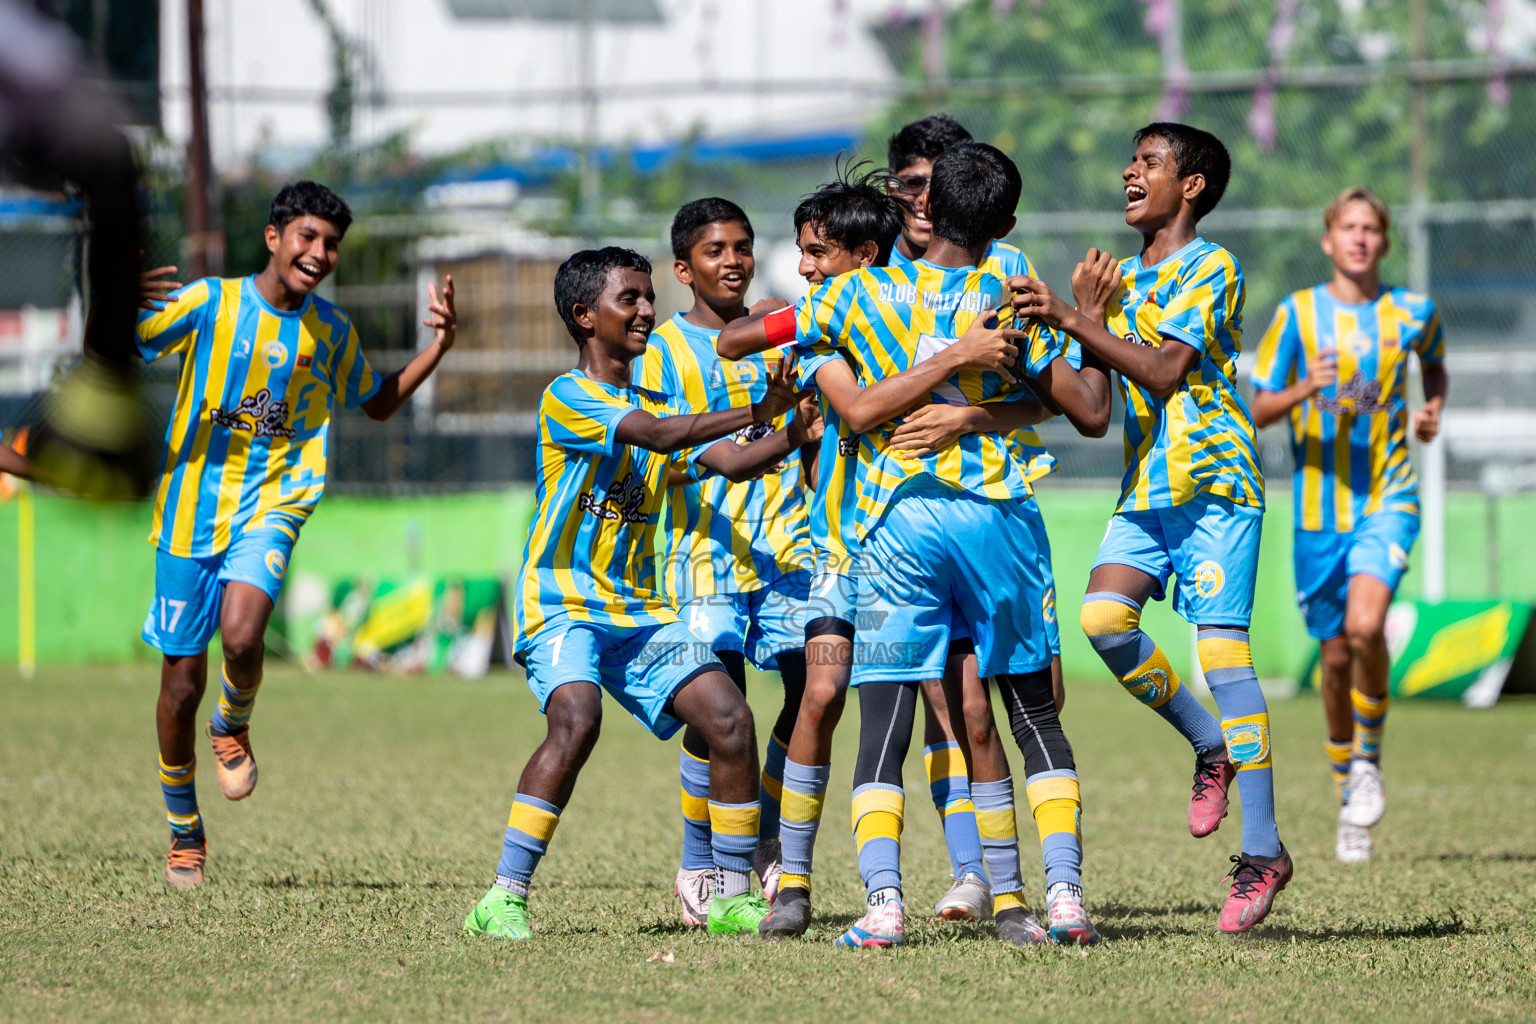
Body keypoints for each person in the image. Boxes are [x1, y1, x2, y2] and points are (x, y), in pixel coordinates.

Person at [722, 143, 1114, 948]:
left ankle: (893, 902)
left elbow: (743, 343)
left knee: (897, 717)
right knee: (1022, 712)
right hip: (990, 522)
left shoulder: (857, 298)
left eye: (816, 251)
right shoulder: (1010, 298)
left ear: (918, 210)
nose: (807, 263)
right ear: (1003, 224)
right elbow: (1087, 408)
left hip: (888, 527)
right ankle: (1044, 896)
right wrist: (1076, 322)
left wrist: (797, 333)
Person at [462, 247, 815, 941]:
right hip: (562, 601)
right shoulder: (570, 397)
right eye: (630, 299)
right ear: (584, 316)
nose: (647, 310)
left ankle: (729, 894)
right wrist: (755, 406)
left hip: (637, 608)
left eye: (649, 297)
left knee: (729, 719)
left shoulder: (657, 401)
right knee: (576, 718)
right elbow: (660, 436)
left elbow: (734, 463)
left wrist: (794, 427)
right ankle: (502, 897)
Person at [136, 181, 457, 889]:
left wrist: (438, 347)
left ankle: (233, 722)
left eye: (331, 244)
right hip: (188, 514)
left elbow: (376, 402)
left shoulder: (331, 331)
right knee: (178, 683)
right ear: (274, 238)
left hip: (275, 504)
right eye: (307, 238)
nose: (320, 253)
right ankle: (183, 826)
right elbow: (131, 346)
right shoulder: (210, 303)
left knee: (245, 636)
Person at [1011, 122, 1291, 933]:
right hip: (1146, 490)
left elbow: (1167, 370)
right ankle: (1212, 746)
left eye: (1151, 162)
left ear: (1192, 185)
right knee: (1102, 619)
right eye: (1130, 159)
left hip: (1216, 487)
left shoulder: (1214, 266)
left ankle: (1264, 849)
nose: (1131, 171)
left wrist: (1073, 315)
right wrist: (1040, 340)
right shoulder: (1122, 282)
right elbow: (1095, 408)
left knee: (1220, 652)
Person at [881, 115, 1090, 929]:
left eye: (937, 184)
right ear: (894, 190)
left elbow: (1053, 399)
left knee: (1016, 703)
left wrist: (973, 420)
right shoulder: (872, 272)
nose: (924, 201)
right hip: (906, 516)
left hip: (992, 508)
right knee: (954, 707)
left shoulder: (1003, 273)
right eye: (911, 185)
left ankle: (1016, 880)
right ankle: (979, 874)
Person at [1249, 186, 1446, 863]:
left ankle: (1368, 762)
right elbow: (1260, 408)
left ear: (1384, 242)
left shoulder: (1413, 313)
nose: (1360, 238)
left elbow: (1435, 364)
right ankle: (1347, 794)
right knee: (1334, 659)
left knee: (1366, 627)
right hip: (1316, 515)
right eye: (1348, 227)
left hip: (1388, 497)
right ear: (1329, 240)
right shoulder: (1300, 316)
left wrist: (1430, 411)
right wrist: (1309, 388)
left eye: (1371, 228)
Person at [632, 198, 813, 924]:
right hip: (702, 552)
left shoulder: (774, 334)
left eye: (741, 246)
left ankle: (762, 825)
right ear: (684, 269)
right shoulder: (662, 353)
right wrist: (790, 430)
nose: (732, 261)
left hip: (789, 546)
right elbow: (723, 462)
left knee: (815, 690)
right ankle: (698, 863)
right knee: (718, 717)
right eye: (714, 251)